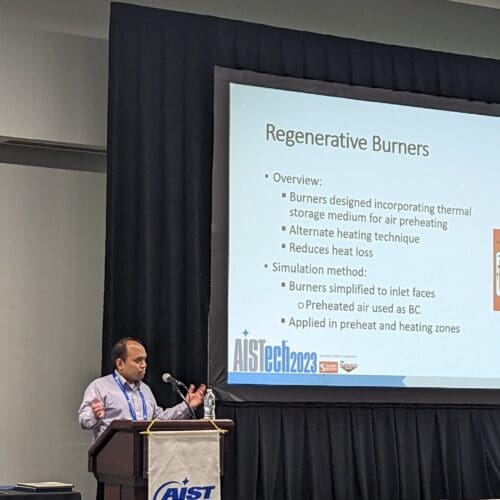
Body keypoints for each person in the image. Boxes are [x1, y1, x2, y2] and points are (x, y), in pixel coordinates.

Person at [78, 337, 206, 441]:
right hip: (113, 459)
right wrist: (94, 415)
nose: (144, 365)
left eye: (144, 360)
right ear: (120, 364)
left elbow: (159, 420)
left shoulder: (145, 390)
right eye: (138, 360)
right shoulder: (100, 387)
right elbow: (84, 421)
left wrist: (187, 405)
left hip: (147, 458)